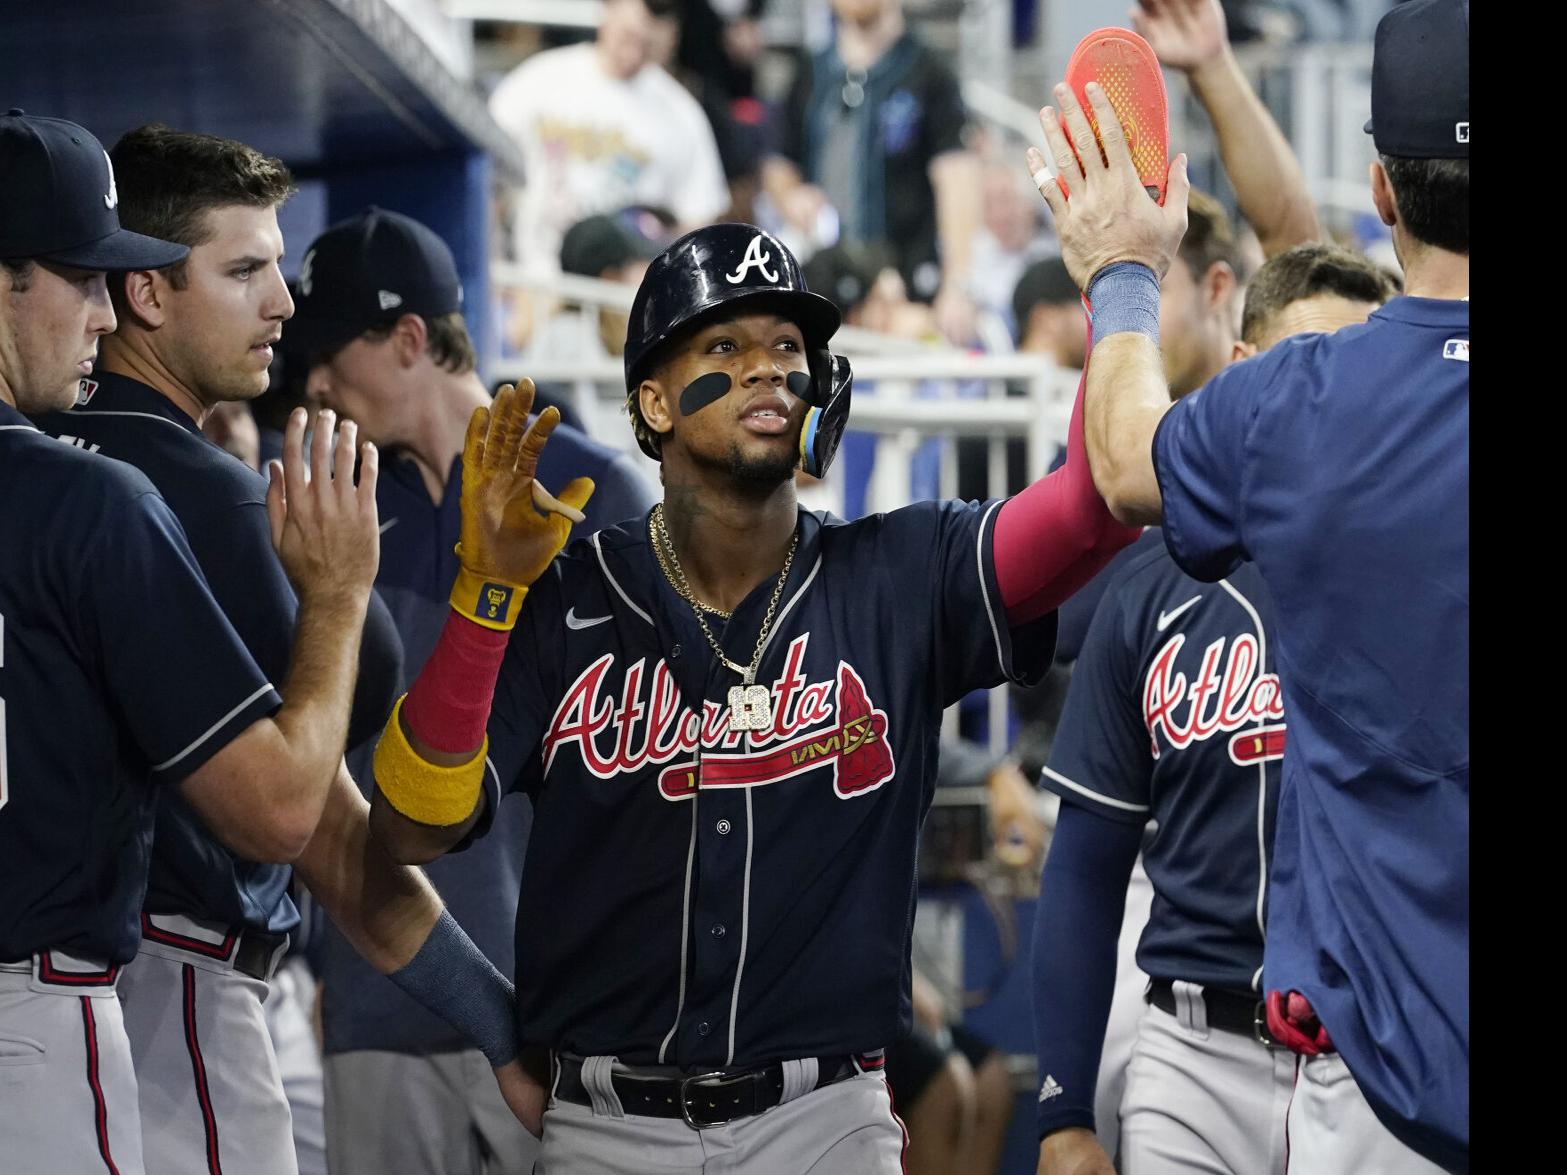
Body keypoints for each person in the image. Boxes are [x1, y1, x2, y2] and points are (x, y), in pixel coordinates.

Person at [356, 220, 1140, 1172]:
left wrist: (1116, 281)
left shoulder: (898, 572)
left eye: (788, 347)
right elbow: (407, 828)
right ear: (652, 400)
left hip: (824, 1123)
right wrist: (485, 595)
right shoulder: (567, 595)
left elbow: (1090, 508)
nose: (768, 368)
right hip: (605, 1130)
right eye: (724, 346)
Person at [30, 125, 529, 1175]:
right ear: (147, 293)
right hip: (156, 992)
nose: (283, 303)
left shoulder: (54, 471)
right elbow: (320, 825)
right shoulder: (189, 498)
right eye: (245, 268)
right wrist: (343, 589)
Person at [1028, 0, 1469, 1168]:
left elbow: (1121, 463)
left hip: (1383, 1070)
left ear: (1380, 191)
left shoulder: (1305, 402)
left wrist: (1122, 272)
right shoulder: (1309, 390)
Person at [0, 110, 374, 1174]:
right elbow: (281, 811)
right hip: (38, 1022)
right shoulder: (87, 500)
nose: (100, 312)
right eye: (82, 276)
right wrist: (338, 594)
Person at [287, 205, 656, 1175]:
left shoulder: (592, 492)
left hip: (563, 1005)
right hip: (380, 995)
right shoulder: (338, 506)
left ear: (410, 339)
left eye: (329, 352)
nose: (315, 381)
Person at [1032, 243, 1397, 1175]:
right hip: (1193, 1051)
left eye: (1357, 367)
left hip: (1379, 1051)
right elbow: (1083, 861)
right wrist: (1066, 1108)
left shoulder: (1431, 575)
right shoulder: (1152, 581)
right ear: (1243, 372)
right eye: (1300, 361)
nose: (1330, 397)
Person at [764, 0, 982, 344]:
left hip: (905, 286)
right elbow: (779, 164)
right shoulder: (811, 70)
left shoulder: (928, 71)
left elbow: (957, 179)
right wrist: (791, 194)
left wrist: (957, 284)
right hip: (826, 283)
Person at [487, 0, 729, 281]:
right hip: (534, 279)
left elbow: (697, 220)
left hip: (622, 294)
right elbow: (487, 174)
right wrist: (494, 265)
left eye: (645, 43)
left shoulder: (681, 112)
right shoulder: (539, 81)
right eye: (628, 35)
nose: (634, 52)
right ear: (607, 10)